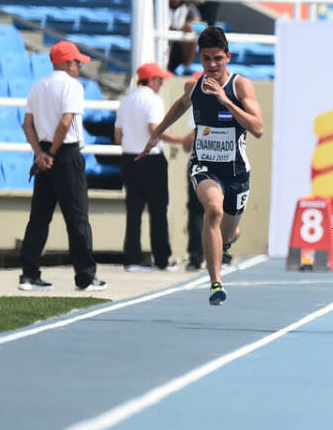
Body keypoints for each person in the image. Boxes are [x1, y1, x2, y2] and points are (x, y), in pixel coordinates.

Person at [139, 26, 264, 306]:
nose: (211, 65)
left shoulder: (240, 85)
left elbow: (258, 129)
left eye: (217, 58)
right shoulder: (193, 86)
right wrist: (156, 133)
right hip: (204, 165)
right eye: (206, 59)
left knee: (228, 231)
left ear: (228, 56)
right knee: (214, 210)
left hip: (236, 172)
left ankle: (229, 237)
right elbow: (180, 106)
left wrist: (224, 100)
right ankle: (215, 283)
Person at [19, 40, 105, 292]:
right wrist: (53, 153)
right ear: (68, 63)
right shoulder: (72, 86)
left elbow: (27, 125)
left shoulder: (38, 86)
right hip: (65, 154)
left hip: (44, 152)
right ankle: (85, 276)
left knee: (39, 218)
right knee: (77, 217)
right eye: (77, 62)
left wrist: (40, 154)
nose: (79, 66)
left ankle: (29, 274)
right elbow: (66, 122)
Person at [116, 62, 178, 271]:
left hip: (128, 158)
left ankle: (132, 258)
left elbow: (118, 136)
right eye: (159, 79)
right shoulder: (153, 100)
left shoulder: (126, 101)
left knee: (133, 211)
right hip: (151, 159)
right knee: (158, 210)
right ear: (151, 80)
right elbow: (155, 129)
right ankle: (162, 258)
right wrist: (180, 139)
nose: (161, 83)